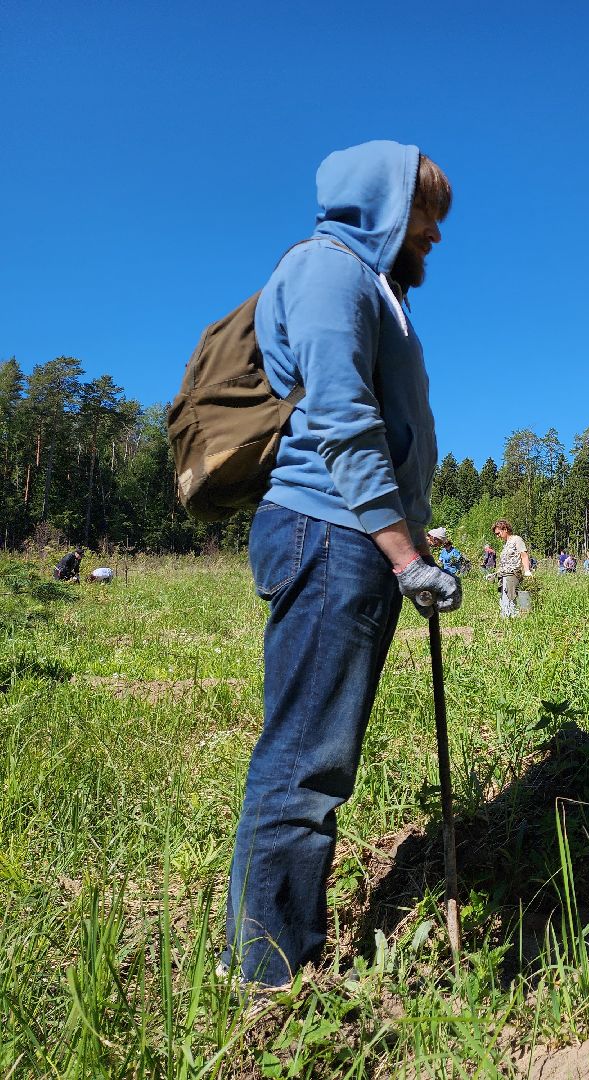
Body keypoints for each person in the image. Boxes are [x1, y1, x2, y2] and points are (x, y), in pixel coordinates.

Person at [222, 141, 461, 990]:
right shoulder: (330, 270)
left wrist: (410, 546)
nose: (435, 233)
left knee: (316, 759)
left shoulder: (375, 285)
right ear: (386, 203)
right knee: (304, 762)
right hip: (328, 535)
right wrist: (403, 555)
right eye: (426, 212)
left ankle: (277, 949)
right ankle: (266, 976)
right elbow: (343, 420)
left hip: (351, 540)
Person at [493, 519, 530, 617]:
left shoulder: (517, 539)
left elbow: (524, 555)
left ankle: (512, 618)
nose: (497, 536)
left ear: (505, 529)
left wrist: (527, 571)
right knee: (504, 600)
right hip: (504, 576)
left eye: (498, 533)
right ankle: (507, 618)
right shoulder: (506, 543)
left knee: (510, 599)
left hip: (512, 575)